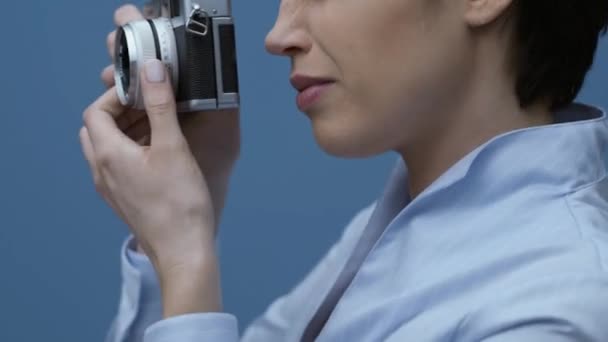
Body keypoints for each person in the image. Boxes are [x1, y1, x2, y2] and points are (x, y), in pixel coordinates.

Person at [80, 0, 608, 341]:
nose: (279, 34)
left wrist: (186, 265)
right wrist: (202, 185)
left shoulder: (552, 310)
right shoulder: (391, 237)